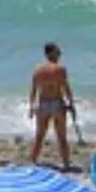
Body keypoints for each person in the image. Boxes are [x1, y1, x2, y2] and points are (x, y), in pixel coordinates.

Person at [28, 42, 74, 170]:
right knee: (61, 136)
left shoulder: (37, 70)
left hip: (42, 103)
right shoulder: (60, 69)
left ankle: (34, 159)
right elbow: (66, 89)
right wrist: (71, 104)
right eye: (58, 52)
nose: (60, 54)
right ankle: (65, 164)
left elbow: (33, 90)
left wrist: (31, 106)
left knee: (39, 135)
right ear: (51, 53)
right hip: (57, 102)